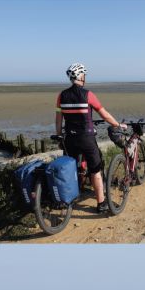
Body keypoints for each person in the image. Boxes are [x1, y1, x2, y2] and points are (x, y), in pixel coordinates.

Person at [55, 63, 127, 213]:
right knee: (95, 169)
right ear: (81, 76)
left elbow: (58, 119)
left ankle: (69, 196)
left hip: (69, 138)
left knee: (71, 168)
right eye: (84, 76)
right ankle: (101, 203)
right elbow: (104, 114)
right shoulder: (88, 95)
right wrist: (118, 124)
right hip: (86, 138)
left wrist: (60, 135)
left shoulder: (61, 96)